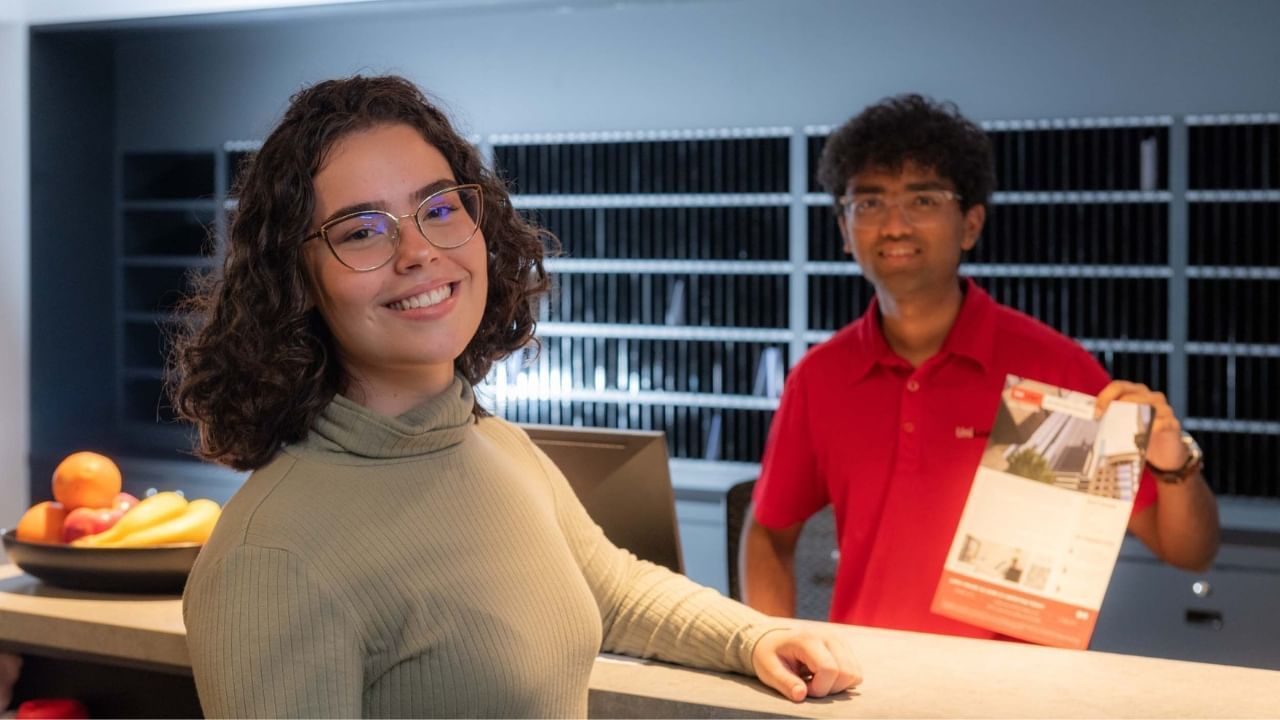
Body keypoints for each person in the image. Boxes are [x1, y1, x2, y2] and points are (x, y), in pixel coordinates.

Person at [171, 75, 860, 717]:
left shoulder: (489, 442)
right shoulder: (270, 562)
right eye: (362, 231)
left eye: (439, 209)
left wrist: (752, 636)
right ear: (295, 279)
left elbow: (610, 589)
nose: (418, 252)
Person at [741, 94, 1220, 639]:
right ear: (845, 231)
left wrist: (1173, 464)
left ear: (970, 225)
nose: (893, 225)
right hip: (860, 691)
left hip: (1015, 696)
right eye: (868, 203)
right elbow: (767, 534)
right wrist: (770, 650)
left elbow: (1190, 552)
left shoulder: (1054, 368)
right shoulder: (820, 377)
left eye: (922, 200)